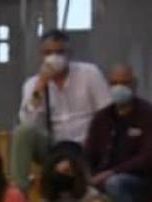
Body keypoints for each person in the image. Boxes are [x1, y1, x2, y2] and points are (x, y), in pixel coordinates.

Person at [11, 29, 110, 191]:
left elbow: (106, 114)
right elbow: (28, 122)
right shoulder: (33, 84)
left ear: (69, 53)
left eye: (59, 52)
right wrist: (40, 86)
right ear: (41, 56)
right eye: (48, 53)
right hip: (54, 148)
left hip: (87, 145)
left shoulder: (89, 73)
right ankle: (19, 192)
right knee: (23, 131)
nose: (54, 57)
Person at [84, 64, 152, 202]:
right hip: (103, 179)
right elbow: (89, 153)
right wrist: (86, 176)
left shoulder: (150, 115)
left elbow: (149, 158)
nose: (119, 88)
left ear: (134, 84)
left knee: (114, 183)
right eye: (114, 83)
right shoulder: (102, 118)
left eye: (124, 83)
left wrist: (112, 172)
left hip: (145, 182)